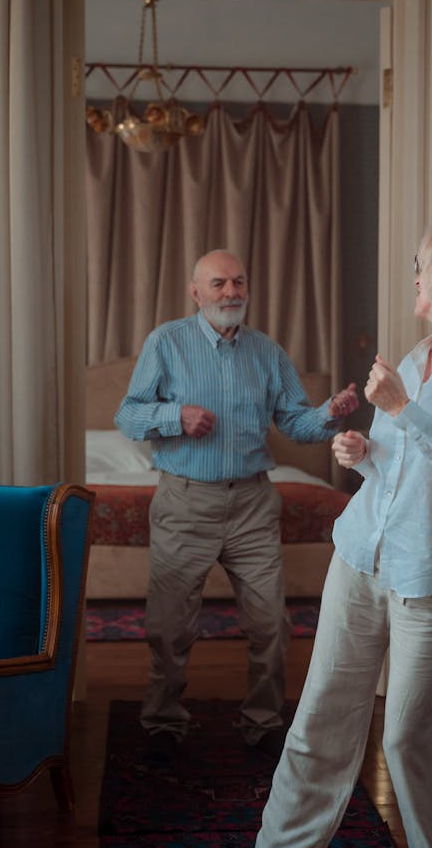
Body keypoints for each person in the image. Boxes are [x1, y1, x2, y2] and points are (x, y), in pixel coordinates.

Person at [206, 218, 432, 848]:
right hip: (361, 556)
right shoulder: (422, 353)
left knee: (410, 734)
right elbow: (400, 460)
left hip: (429, 575)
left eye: (425, 268)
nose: (416, 278)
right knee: (320, 711)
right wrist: (362, 449)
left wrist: (400, 410)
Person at [115, 248, 359, 763]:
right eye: (220, 283)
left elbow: (296, 423)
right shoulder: (166, 343)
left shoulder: (267, 353)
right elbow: (128, 416)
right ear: (196, 292)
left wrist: (330, 413)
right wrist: (174, 416)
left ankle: (263, 722)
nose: (231, 293)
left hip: (252, 502)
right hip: (185, 501)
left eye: (239, 283)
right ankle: (163, 722)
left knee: (271, 623)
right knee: (170, 628)